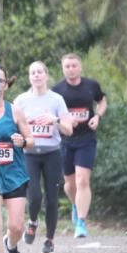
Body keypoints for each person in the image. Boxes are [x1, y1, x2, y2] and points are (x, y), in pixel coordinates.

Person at [15, 61, 73, 253]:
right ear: (29, 77)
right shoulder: (21, 100)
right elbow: (11, 125)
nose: (37, 75)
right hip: (29, 154)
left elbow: (69, 129)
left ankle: (49, 239)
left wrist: (54, 120)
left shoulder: (56, 100)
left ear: (46, 76)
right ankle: (32, 221)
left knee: (52, 197)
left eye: (40, 72)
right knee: (34, 197)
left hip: (51, 153)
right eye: (33, 72)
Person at [52, 53, 106, 238]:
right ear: (63, 69)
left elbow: (102, 100)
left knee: (82, 180)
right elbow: (51, 114)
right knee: (69, 185)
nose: (71, 69)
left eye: (74, 65)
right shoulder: (57, 90)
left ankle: (81, 223)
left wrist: (98, 116)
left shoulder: (91, 85)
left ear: (80, 67)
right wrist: (65, 120)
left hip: (86, 139)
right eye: (67, 66)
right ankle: (76, 204)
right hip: (65, 141)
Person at [0, 66, 33, 253]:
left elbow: (31, 140)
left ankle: (11, 245)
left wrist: (22, 142)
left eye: (0, 80)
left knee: (17, 226)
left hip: (14, 174)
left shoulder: (14, 111)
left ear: (6, 85)